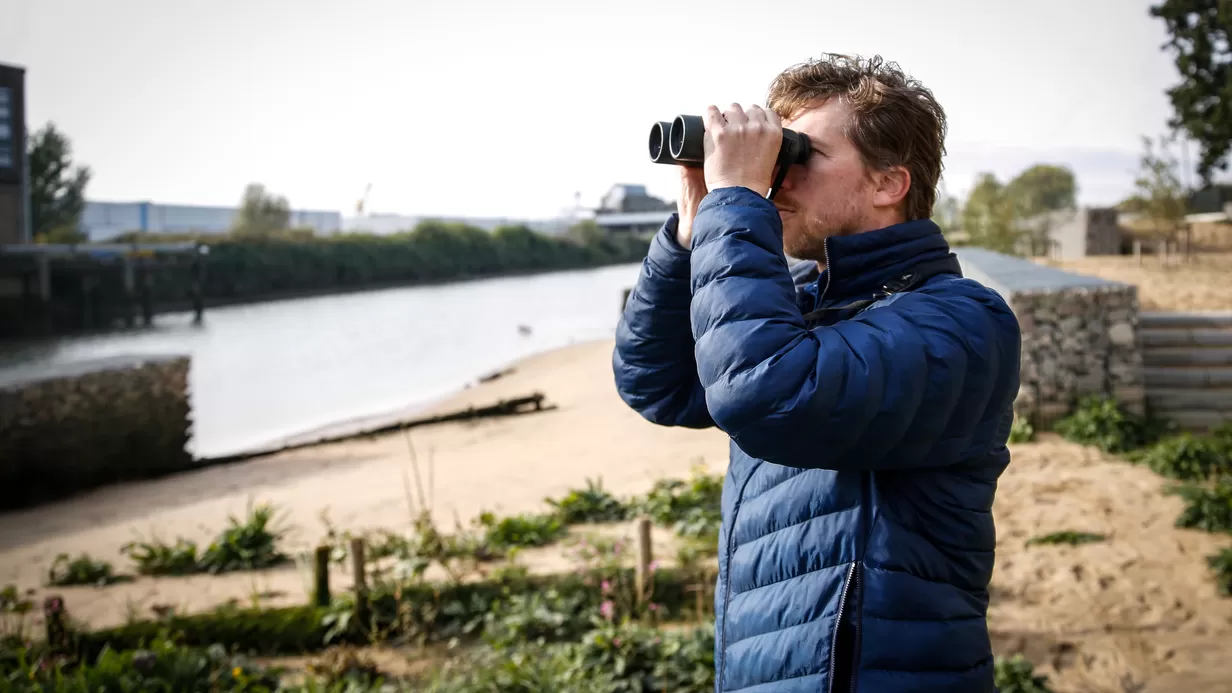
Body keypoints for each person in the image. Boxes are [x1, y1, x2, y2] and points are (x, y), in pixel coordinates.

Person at [612, 53, 1022, 693]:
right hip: (768, 663)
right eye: (775, 159)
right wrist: (691, 235)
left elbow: (771, 394)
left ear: (888, 183)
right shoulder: (802, 300)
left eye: (797, 156)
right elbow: (658, 385)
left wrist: (737, 203)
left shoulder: (963, 321)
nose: (779, 182)